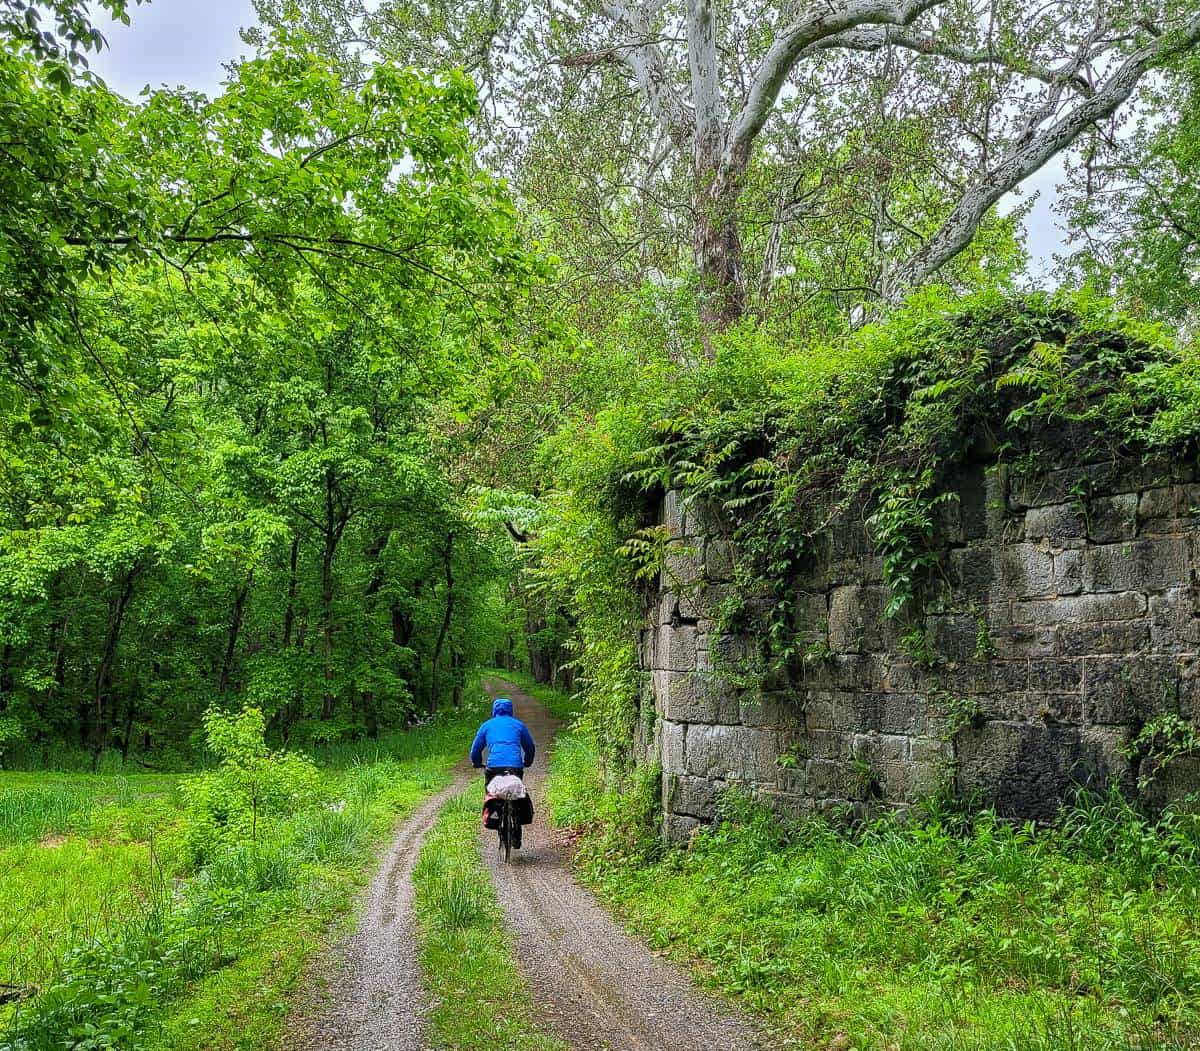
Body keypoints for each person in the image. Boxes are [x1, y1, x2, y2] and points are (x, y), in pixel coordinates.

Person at [470, 697, 536, 790]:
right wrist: (527, 762)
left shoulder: (486, 725)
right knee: (518, 795)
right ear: (511, 710)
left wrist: (477, 763)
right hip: (515, 767)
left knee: (491, 794)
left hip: (494, 767)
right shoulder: (519, 725)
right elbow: (530, 747)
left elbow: (475, 749)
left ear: (494, 710)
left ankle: (490, 803)